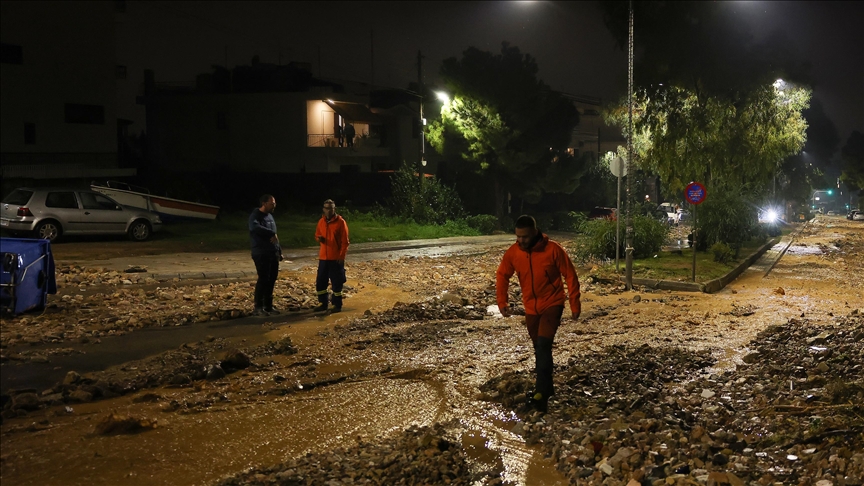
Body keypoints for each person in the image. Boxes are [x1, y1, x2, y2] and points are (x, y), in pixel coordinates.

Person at [496, 215, 581, 413]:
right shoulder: (514, 253)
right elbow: (502, 275)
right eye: (518, 237)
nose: (521, 241)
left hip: (553, 302)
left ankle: (541, 393)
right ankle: (547, 388)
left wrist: (574, 303)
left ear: (535, 232)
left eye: (524, 237)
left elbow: (570, 274)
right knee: (539, 348)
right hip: (531, 308)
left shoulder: (553, 250)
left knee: (543, 345)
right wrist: (502, 302)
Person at [249, 194, 283, 316]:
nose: (274, 205)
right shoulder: (255, 215)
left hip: (272, 252)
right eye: (272, 203)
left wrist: (279, 251)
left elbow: (275, 236)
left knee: (272, 279)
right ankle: (258, 307)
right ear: (264, 203)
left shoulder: (270, 216)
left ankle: (268, 306)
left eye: (274, 203)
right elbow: (254, 228)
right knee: (263, 279)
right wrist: (271, 233)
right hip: (261, 253)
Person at [314, 199, 350, 313]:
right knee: (321, 281)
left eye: (331, 208)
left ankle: (336, 305)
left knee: (337, 282)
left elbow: (345, 242)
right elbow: (317, 235)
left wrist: (341, 256)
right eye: (326, 208)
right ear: (323, 209)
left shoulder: (341, 222)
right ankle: (322, 303)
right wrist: (319, 238)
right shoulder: (321, 221)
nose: (328, 211)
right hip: (323, 258)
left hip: (336, 258)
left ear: (334, 209)